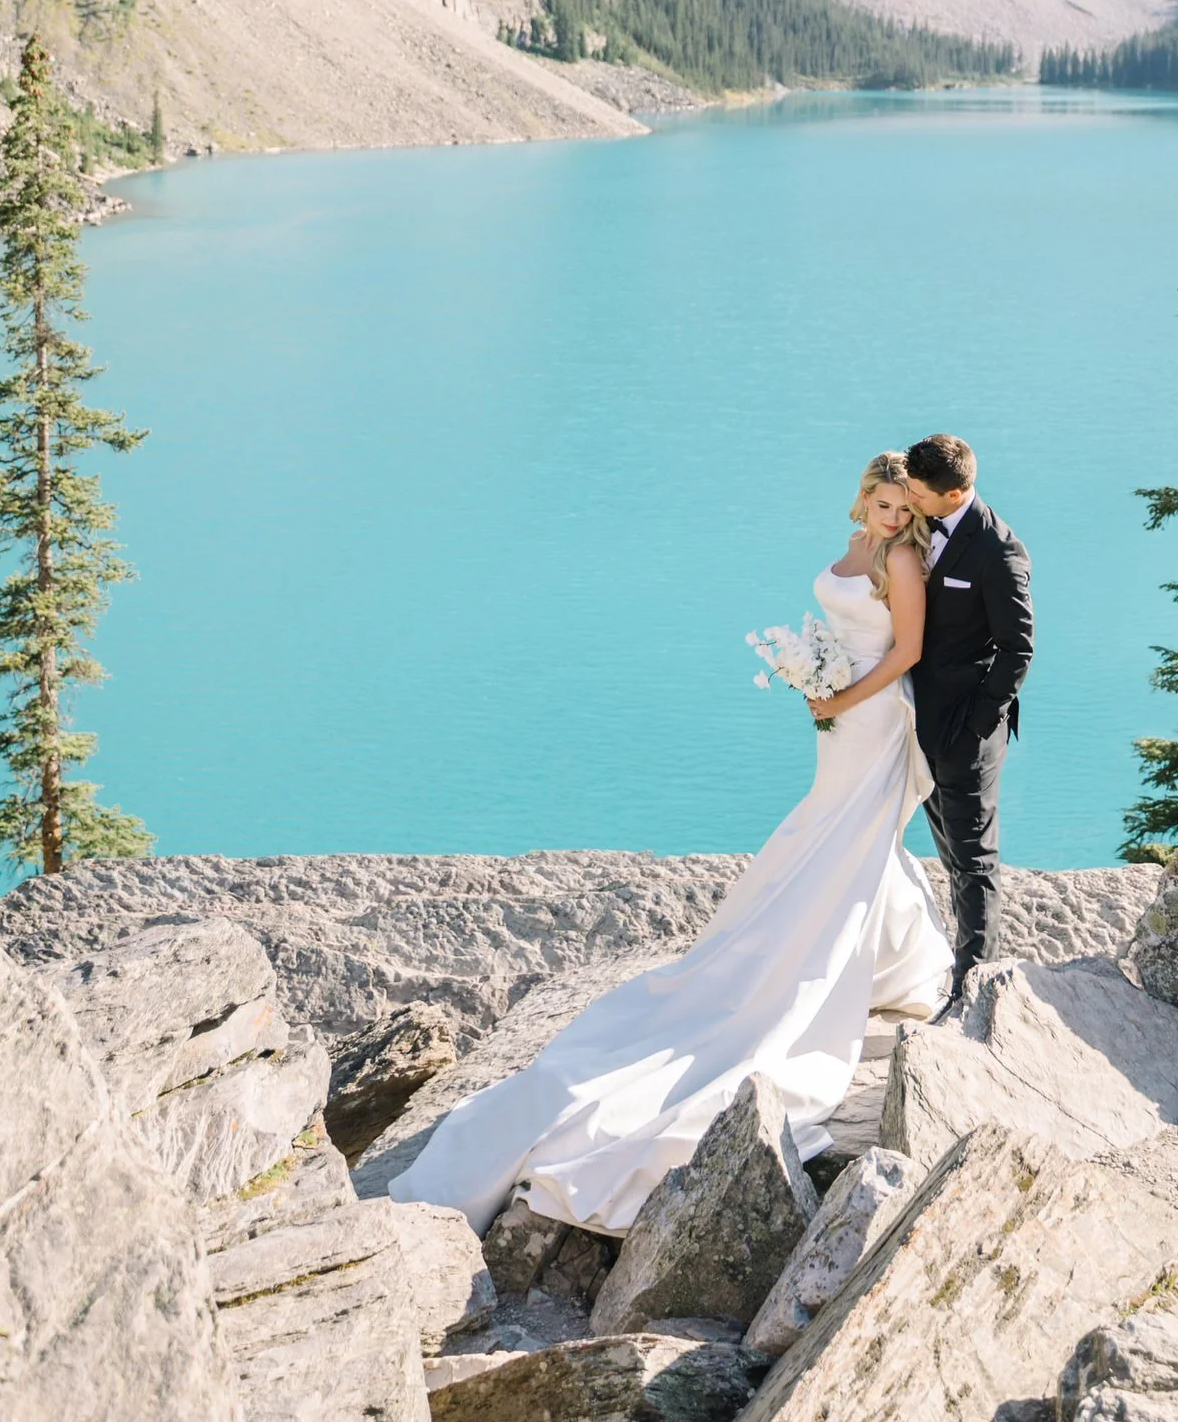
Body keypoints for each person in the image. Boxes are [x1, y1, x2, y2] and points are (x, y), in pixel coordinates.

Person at [390, 451, 953, 1234]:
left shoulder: (902, 558)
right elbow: (836, 626)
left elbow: (908, 653)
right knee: (840, 834)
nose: (894, 520)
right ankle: (906, 961)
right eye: (883, 505)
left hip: (873, 713)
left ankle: (869, 961)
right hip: (836, 718)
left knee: (843, 836)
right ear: (863, 499)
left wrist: (835, 695)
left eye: (904, 510)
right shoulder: (859, 546)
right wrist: (812, 684)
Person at [903, 434, 1033, 999]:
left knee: (975, 862)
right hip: (917, 723)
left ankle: (974, 990)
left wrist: (977, 727)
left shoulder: (999, 551)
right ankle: (962, 971)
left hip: (966, 732)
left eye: (917, 492)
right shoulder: (919, 526)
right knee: (950, 853)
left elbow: (1018, 650)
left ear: (954, 493)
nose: (907, 497)